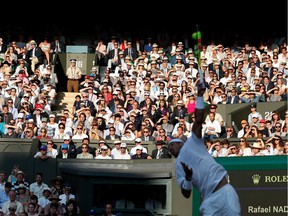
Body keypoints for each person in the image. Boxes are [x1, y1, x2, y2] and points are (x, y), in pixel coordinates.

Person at [167, 83, 241, 216]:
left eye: (172, 144)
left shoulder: (193, 142)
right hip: (209, 199)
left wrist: (200, 96)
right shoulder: (179, 166)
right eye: (169, 147)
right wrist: (188, 178)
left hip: (225, 190)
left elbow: (199, 120)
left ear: (181, 143)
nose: (170, 148)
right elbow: (186, 193)